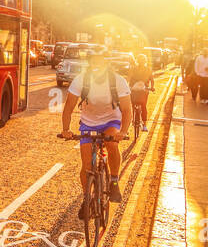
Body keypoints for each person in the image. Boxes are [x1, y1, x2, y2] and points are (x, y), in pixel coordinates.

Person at [61, 47, 132, 212]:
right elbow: (69, 107)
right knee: (86, 166)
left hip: (111, 121)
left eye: (101, 60)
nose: (97, 64)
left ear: (107, 63)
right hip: (88, 123)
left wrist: (123, 131)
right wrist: (66, 129)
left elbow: (127, 110)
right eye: (94, 61)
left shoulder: (118, 80)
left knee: (112, 144)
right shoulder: (81, 80)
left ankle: (114, 180)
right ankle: (87, 198)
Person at [128, 53, 153, 131]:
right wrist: (152, 88)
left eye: (142, 61)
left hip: (140, 90)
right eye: (140, 61)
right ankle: (144, 125)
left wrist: (152, 87)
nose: (141, 62)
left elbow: (152, 80)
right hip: (140, 90)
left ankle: (140, 123)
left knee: (136, 105)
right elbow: (152, 80)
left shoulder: (135, 68)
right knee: (142, 106)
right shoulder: (147, 69)